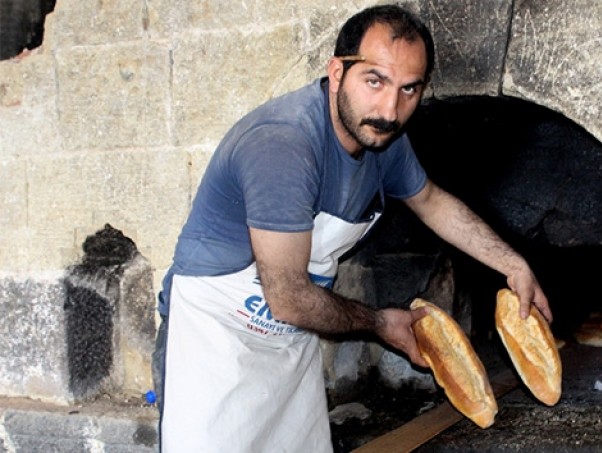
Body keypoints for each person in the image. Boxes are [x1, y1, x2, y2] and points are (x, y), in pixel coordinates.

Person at [153, 4, 552, 452]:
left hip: (286, 339)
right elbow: (287, 297)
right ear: (337, 71)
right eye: (375, 81)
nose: (389, 110)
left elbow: (431, 201)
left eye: (409, 90)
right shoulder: (283, 146)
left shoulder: (383, 140)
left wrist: (513, 264)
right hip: (214, 338)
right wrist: (381, 324)